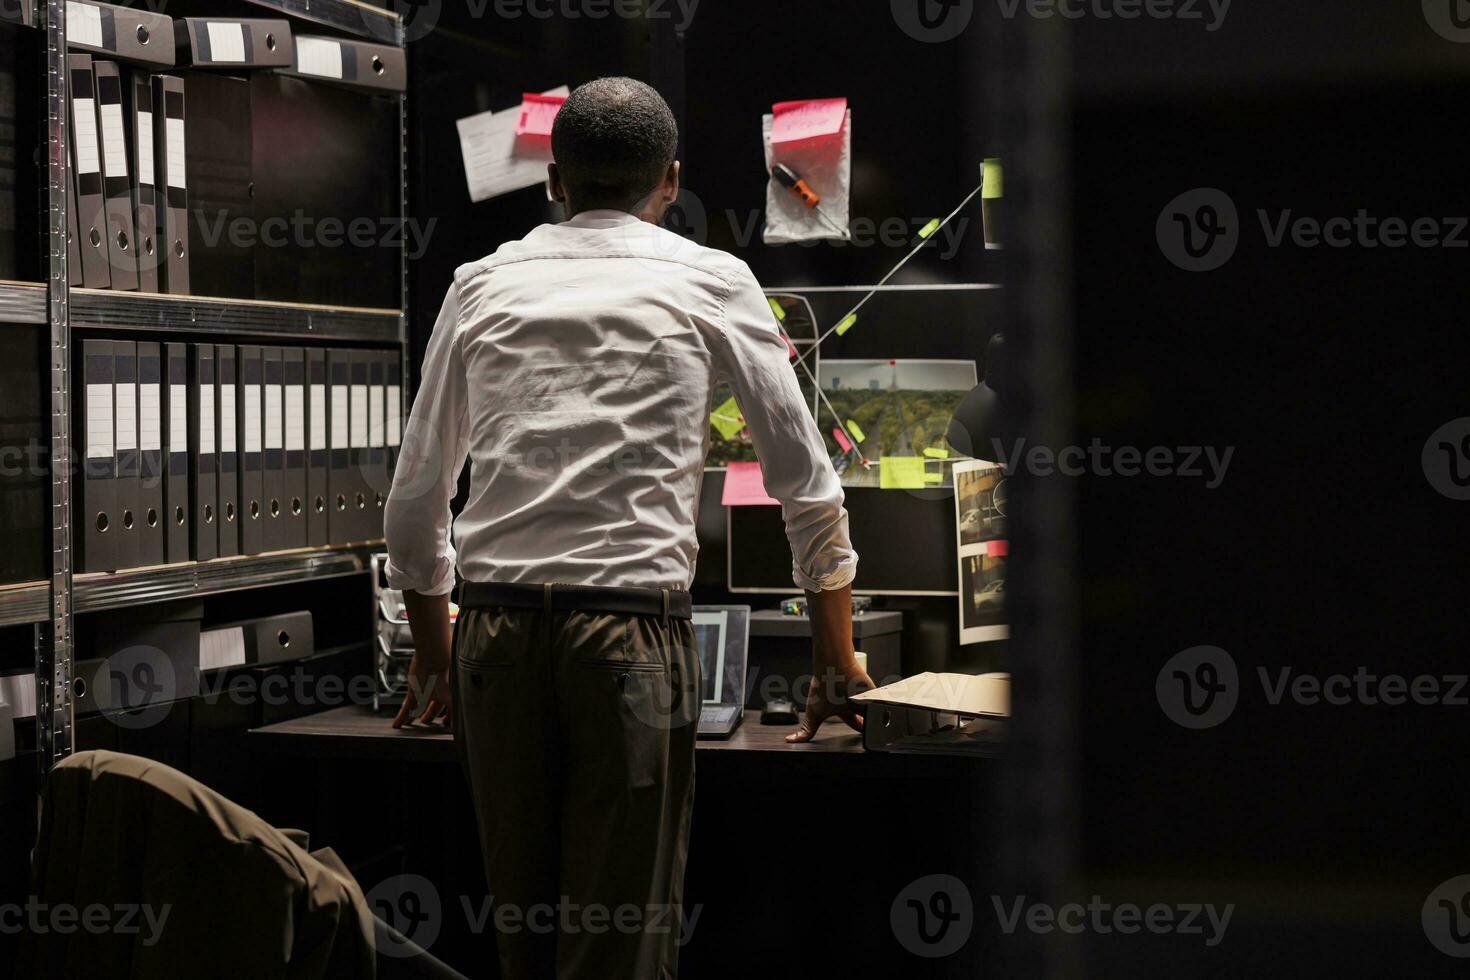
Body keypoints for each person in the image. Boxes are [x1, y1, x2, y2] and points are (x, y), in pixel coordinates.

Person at [383, 76, 871, 980]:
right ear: (671, 180)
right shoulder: (712, 279)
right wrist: (835, 658)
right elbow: (807, 485)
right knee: (618, 945)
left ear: (554, 181)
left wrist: (435, 650)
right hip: (630, 637)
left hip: (492, 636)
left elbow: (416, 505)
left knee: (521, 944)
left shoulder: (479, 284)